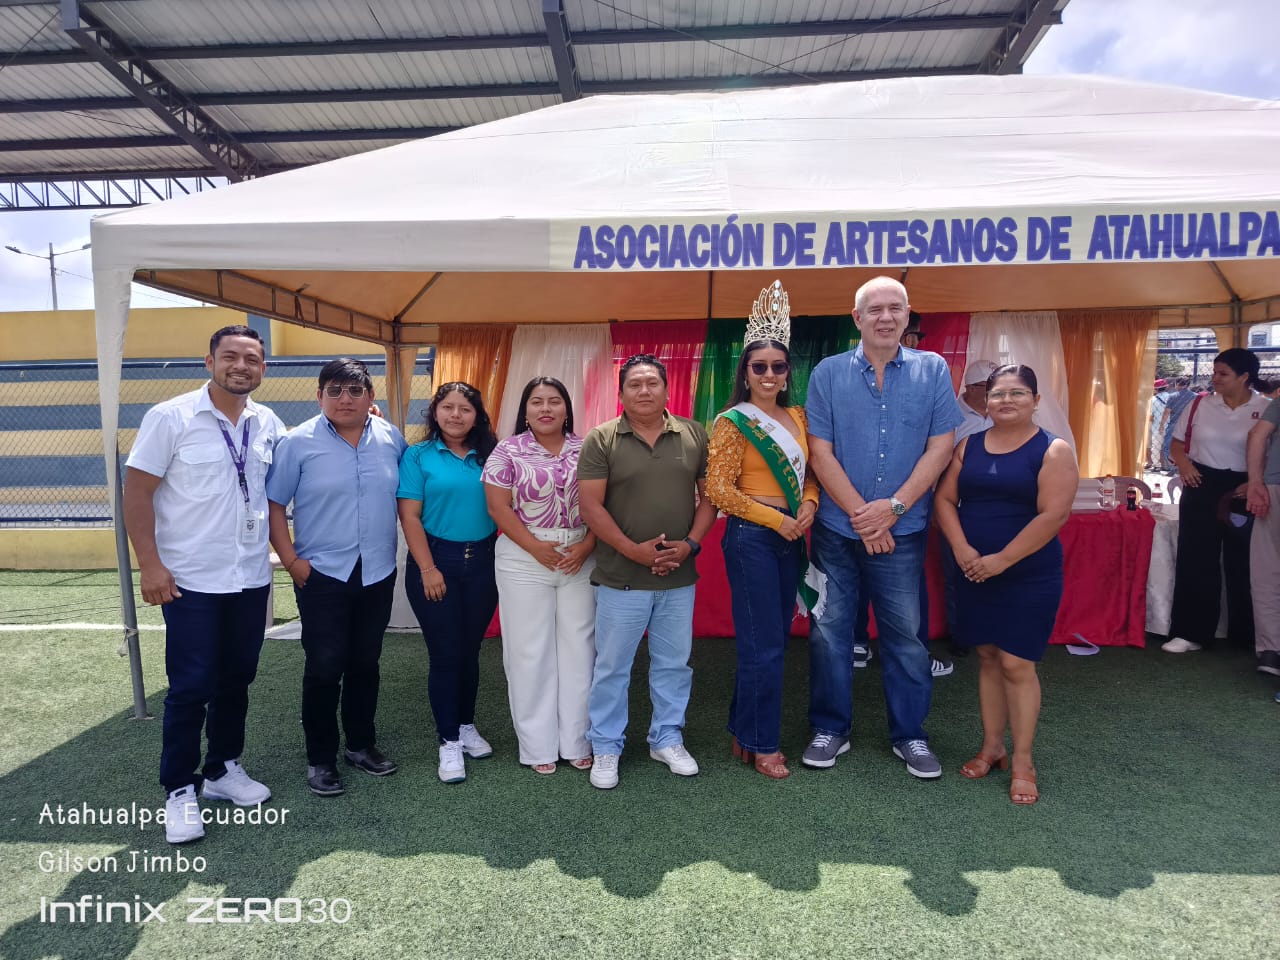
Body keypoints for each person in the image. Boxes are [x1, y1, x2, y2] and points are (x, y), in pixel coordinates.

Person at [123, 324, 285, 844]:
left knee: (237, 678)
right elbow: (136, 494)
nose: (241, 366)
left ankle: (222, 769)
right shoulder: (170, 417)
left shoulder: (268, 422)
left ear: (263, 368)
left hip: (250, 577)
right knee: (191, 686)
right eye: (231, 356)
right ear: (209, 361)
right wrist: (150, 565)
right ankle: (179, 788)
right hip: (190, 579)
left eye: (252, 359)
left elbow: (295, 465)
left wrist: (361, 419)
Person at [802, 276, 961, 779]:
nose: (886, 317)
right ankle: (830, 729)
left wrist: (893, 508)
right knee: (829, 632)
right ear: (857, 319)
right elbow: (819, 452)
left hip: (903, 530)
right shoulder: (828, 373)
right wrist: (865, 516)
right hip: (835, 530)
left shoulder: (933, 369)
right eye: (874, 310)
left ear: (907, 315)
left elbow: (941, 445)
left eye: (895, 308)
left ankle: (910, 735)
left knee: (905, 637)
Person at [934, 364, 1078, 805]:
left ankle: (1023, 761)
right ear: (986, 400)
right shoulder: (968, 445)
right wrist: (961, 548)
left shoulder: (1054, 450)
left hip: (1027, 573)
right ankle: (992, 747)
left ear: (1036, 401)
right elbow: (944, 499)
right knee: (987, 657)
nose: (1006, 401)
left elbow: (1053, 515)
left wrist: (1002, 560)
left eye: (1017, 393)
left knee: (1017, 664)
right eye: (998, 393)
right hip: (974, 569)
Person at [577, 354, 718, 790]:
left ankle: (666, 737)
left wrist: (690, 544)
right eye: (634, 384)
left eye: (652, 383)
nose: (644, 391)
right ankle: (606, 745)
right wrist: (632, 551)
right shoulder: (602, 439)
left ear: (667, 389)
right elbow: (590, 507)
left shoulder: (693, 433)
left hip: (678, 576)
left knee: (674, 664)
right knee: (612, 667)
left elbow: (710, 498)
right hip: (621, 577)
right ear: (621, 393)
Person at [266, 358, 406, 797]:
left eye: (355, 391)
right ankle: (321, 758)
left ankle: (361, 745)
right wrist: (291, 561)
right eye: (335, 390)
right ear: (319, 396)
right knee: (324, 667)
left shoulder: (390, 437)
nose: (345, 399)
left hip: (377, 570)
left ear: (371, 397)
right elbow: (274, 505)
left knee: (366, 663)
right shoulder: (297, 443)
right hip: (322, 574)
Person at [705, 281, 819, 780]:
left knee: (772, 639)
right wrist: (779, 520)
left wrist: (810, 503)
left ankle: (743, 730)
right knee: (763, 643)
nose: (769, 374)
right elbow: (718, 490)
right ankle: (761, 742)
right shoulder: (732, 422)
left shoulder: (798, 416)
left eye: (778, 366)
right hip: (752, 536)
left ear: (788, 372)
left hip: (791, 533)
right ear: (745, 372)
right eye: (759, 367)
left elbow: (811, 474)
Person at [483, 377, 597, 774]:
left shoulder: (589, 448)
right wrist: (535, 547)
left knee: (580, 651)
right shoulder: (507, 450)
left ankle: (577, 741)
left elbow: (607, 503)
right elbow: (498, 508)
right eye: (536, 402)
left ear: (567, 409)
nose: (545, 408)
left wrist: (588, 545)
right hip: (524, 558)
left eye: (554, 401)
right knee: (529, 652)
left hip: (579, 556)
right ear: (526, 410)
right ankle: (537, 747)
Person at [397, 382, 500, 783]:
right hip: (435, 562)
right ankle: (449, 740)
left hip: (483, 563)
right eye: (448, 407)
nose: (456, 415)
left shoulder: (492, 454)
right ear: (435, 412)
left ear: (477, 416)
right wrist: (428, 569)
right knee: (445, 654)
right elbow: (409, 516)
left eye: (465, 409)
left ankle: (466, 724)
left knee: (469, 651)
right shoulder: (418, 455)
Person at [1163, 349, 1271, 654]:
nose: (1215, 378)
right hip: (1200, 484)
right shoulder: (1199, 404)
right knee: (1196, 558)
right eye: (1214, 372)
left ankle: (1248, 636)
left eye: (1223, 373)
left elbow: (1273, 452)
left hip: (1245, 488)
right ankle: (1190, 632)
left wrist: (1255, 481)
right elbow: (1177, 443)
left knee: (1246, 562)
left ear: (1244, 377)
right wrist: (1184, 464)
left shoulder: (1265, 408)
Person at [1244, 396, 1279, 677]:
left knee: (1267, 570)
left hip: (1275, 486)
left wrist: (1255, 482)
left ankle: (1271, 651)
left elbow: (1257, 434)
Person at [1161, 376, 1195, 472]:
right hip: (1190, 425)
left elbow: (1167, 412)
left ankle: (1174, 466)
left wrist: (1161, 425)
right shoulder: (1195, 396)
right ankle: (1186, 465)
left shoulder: (1173, 396)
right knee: (1189, 446)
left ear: (1177, 384)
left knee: (1167, 446)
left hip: (1175, 424)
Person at [1147, 379, 1170, 470]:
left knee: (1156, 446)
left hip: (1157, 426)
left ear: (1155, 389)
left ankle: (1157, 465)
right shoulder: (1171, 397)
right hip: (1170, 426)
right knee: (1168, 447)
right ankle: (1168, 465)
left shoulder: (1152, 400)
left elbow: (1150, 416)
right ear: (1166, 387)